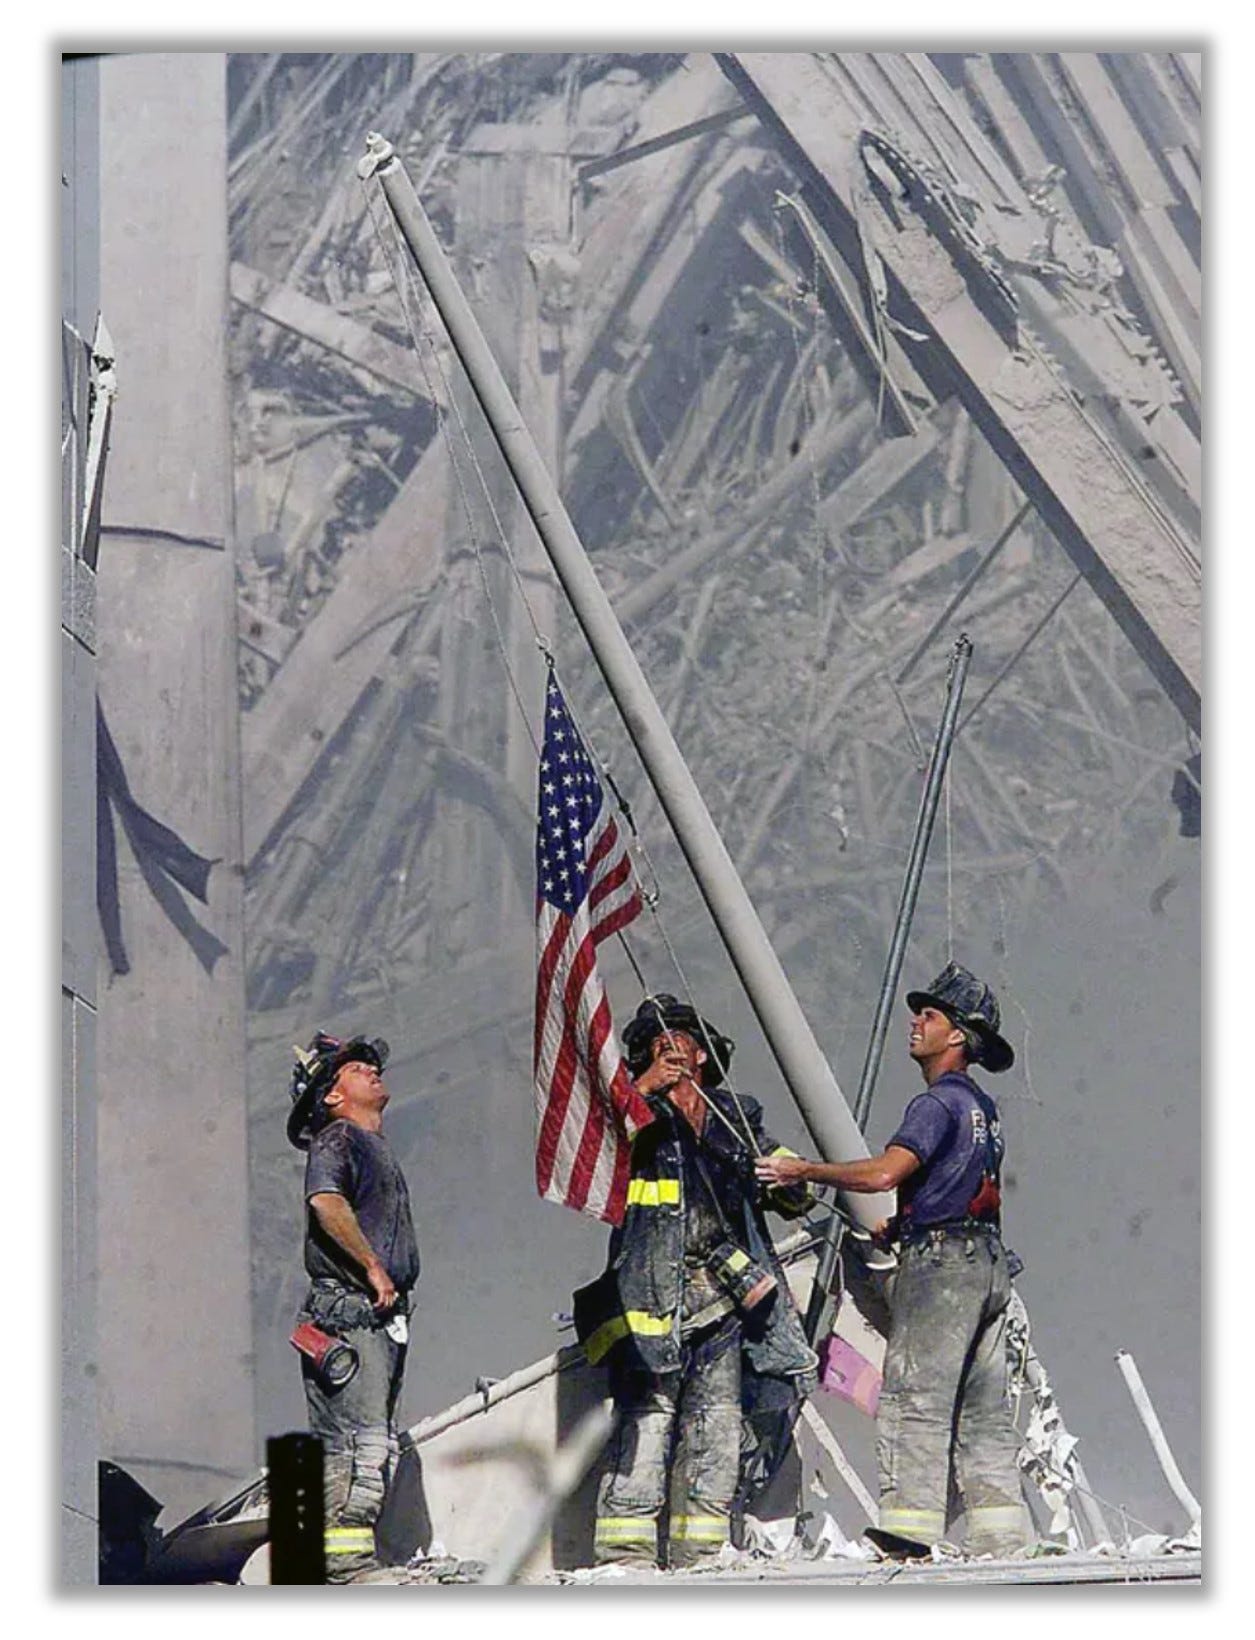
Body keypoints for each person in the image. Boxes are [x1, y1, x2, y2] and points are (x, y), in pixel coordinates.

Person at [755, 961, 1028, 1560]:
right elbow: (964, 1183)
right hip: (986, 1263)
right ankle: (1004, 1536)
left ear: (956, 1035)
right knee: (981, 1408)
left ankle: (910, 1530)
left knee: (914, 1396)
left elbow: (884, 1172)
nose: (916, 1022)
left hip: (942, 1269)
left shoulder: (935, 1104)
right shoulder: (982, 1108)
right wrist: (903, 1224)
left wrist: (802, 1170)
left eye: (929, 1015)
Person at [574, 994, 818, 1570]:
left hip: (725, 1300)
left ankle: (700, 1553)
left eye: (679, 1036)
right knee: (647, 1422)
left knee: (717, 1427)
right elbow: (595, 1151)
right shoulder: (630, 1114)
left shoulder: (737, 1117)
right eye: (655, 1042)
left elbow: (794, 1191)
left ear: (704, 1054)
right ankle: (625, 1555)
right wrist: (642, 1091)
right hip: (649, 1295)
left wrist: (789, 1180)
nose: (668, 1045)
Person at [286, 1031, 420, 1582]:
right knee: (356, 1445)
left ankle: (351, 1560)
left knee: (373, 1440)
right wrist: (370, 1264)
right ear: (332, 1096)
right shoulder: (337, 1137)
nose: (371, 1070)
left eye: (370, 1064)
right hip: (349, 1312)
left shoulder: (372, 1145)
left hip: (379, 1316)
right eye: (355, 1068)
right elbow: (326, 1203)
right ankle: (344, 1567)